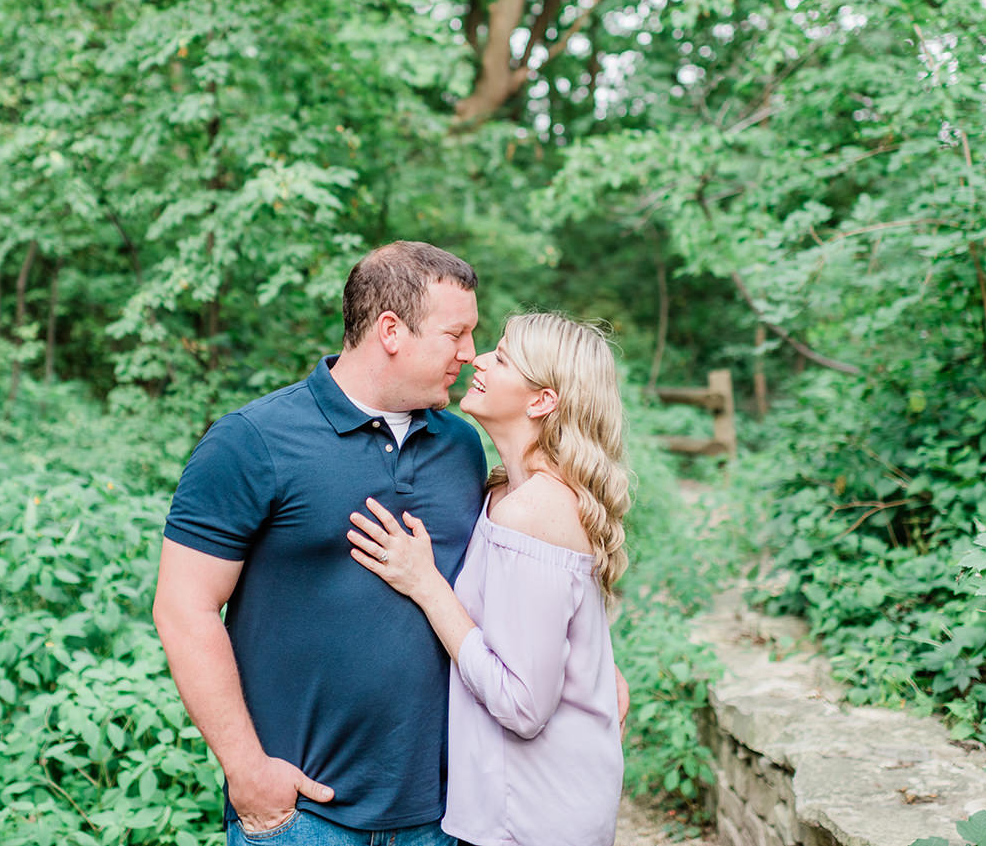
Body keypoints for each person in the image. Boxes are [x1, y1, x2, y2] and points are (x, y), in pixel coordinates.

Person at [153, 241, 487, 845]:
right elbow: (184, 607)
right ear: (391, 330)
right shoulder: (251, 441)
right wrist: (247, 770)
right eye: (455, 335)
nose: (469, 355)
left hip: (444, 813)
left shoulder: (463, 447)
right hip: (303, 814)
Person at [346, 312, 630, 846]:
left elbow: (523, 706)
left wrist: (426, 585)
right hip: (511, 804)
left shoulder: (537, 510)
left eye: (500, 357)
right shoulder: (503, 492)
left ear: (541, 400)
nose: (477, 359)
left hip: (536, 815)